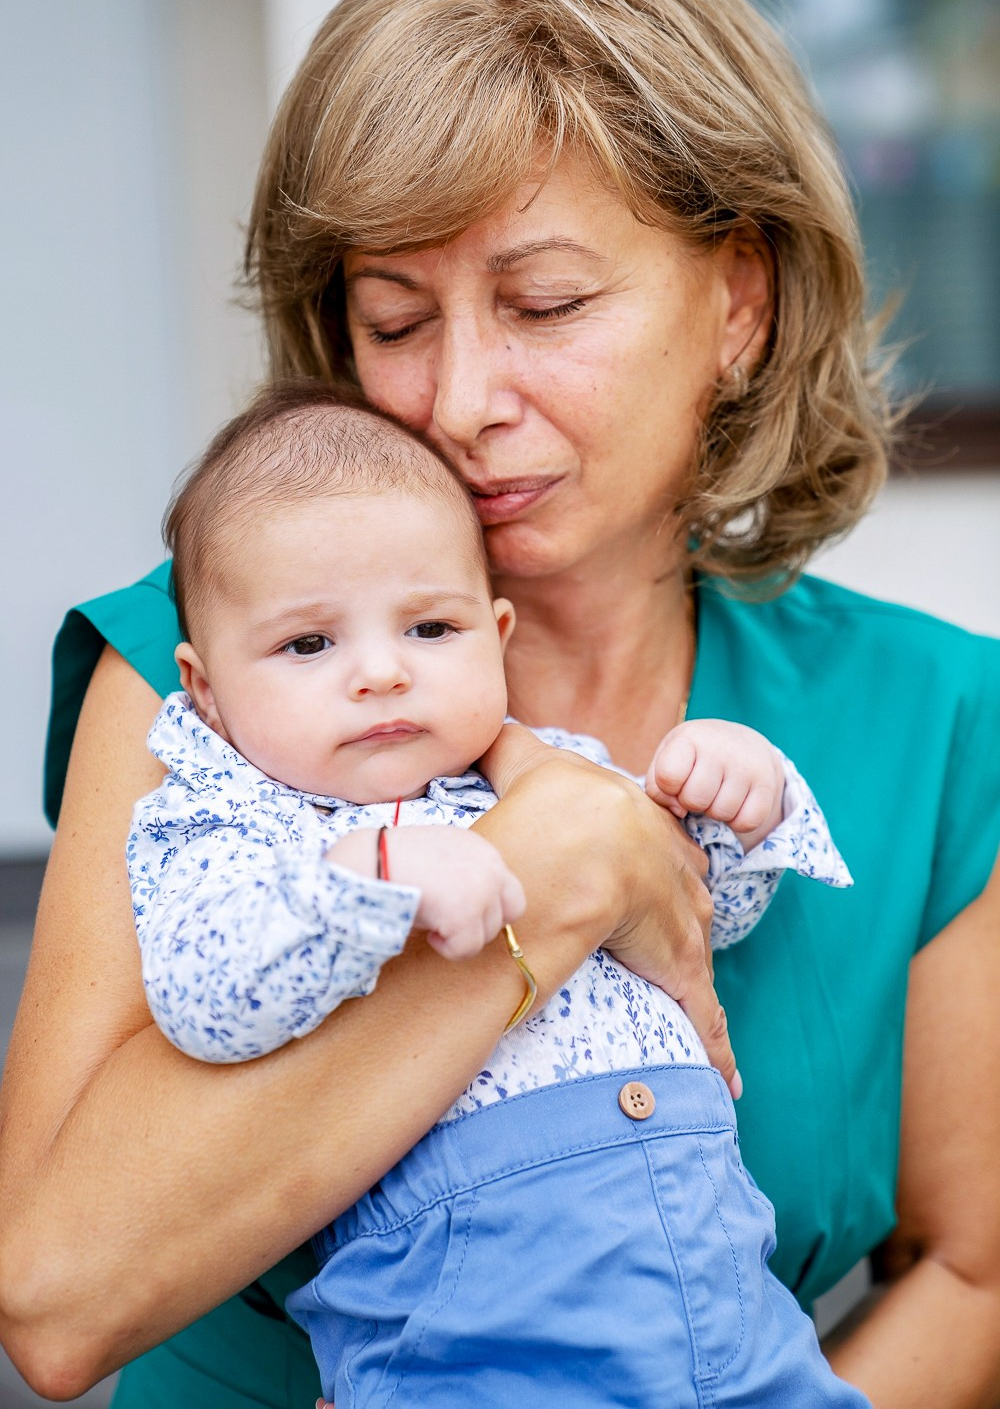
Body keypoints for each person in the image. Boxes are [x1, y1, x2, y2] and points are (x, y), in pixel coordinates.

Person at [1, 0, 999, 1409]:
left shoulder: (928, 715)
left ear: (740, 302)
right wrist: (559, 869)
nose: (460, 402)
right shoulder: (209, 680)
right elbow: (58, 1297)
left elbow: (974, 1268)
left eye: (543, 306)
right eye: (393, 320)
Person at [129, 383, 856, 1404]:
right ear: (203, 690)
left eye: (430, 629)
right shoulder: (239, 823)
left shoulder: (559, 773)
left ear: (496, 632)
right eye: (309, 644)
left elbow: (699, 923)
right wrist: (371, 880)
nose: (381, 673)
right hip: (475, 1313)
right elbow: (205, 996)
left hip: (720, 1276)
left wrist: (738, 802)